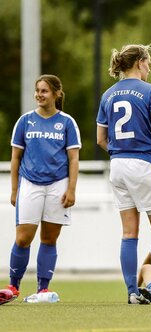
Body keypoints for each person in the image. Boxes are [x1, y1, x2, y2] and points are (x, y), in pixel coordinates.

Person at [96, 44, 151, 305]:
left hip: (117, 164)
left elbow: (101, 139)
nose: (149, 68)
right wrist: (145, 146)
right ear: (138, 62)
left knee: (129, 233)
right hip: (143, 163)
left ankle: (132, 293)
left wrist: (121, 149)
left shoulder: (108, 95)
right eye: (147, 62)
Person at [2, 75, 81, 303]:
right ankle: (13, 287)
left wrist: (72, 189)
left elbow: (74, 159)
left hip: (58, 184)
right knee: (23, 238)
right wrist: (15, 189)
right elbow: (15, 157)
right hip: (30, 184)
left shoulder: (67, 122)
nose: (39, 95)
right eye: (37, 90)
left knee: (49, 238)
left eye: (44, 91)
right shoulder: (25, 121)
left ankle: (43, 289)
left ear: (56, 93)